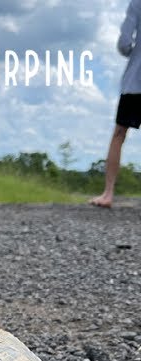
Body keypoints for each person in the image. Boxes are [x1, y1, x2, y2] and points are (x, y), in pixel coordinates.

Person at [91, 0, 141, 208]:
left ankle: (108, 193)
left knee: (119, 134)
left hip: (136, 81)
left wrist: (134, 52)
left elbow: (124, 42)